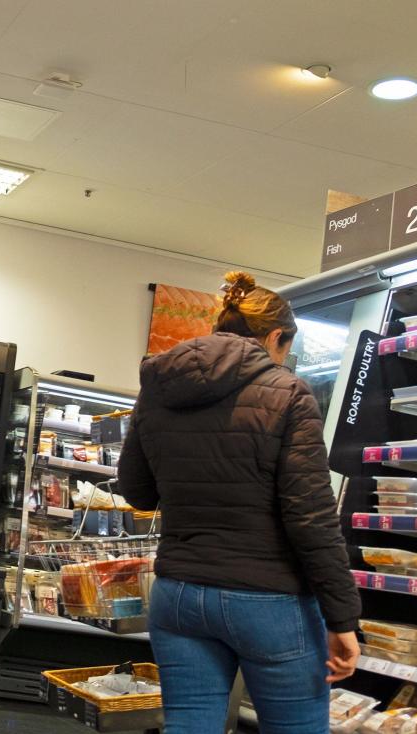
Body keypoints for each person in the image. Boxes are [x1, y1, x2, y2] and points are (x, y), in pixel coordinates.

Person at [118, 271, 361, 734]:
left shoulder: (159, 387)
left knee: (189, 726)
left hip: (180, 594)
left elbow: (137, 491)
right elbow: (310, 519)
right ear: (276, 337)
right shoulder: (289, 394)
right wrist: (342, 617)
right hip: (268, 600)